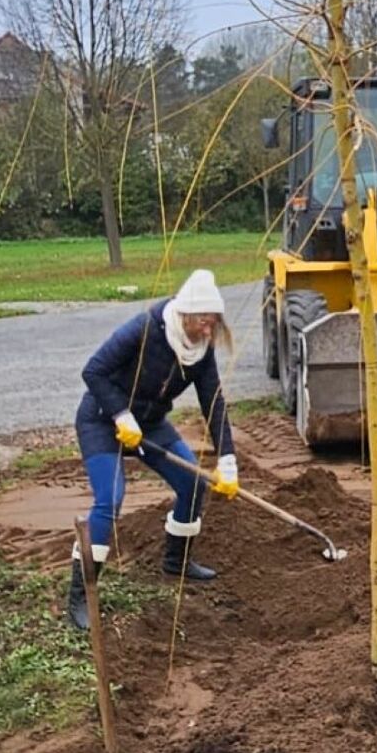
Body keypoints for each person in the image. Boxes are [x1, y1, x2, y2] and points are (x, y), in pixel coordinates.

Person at [67, 268, 239, 631]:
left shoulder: (201, 350)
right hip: (102, 420)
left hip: (150, 425)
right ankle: (82, 594)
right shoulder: (145, 328)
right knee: (110, 500)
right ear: (186, 314)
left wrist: (227, 458)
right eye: (203, 322)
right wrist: (120, 414)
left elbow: (213, 402)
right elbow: (93, 371)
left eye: (213, 323)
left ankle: (177, 562)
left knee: (193, 484)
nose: (208, 330)